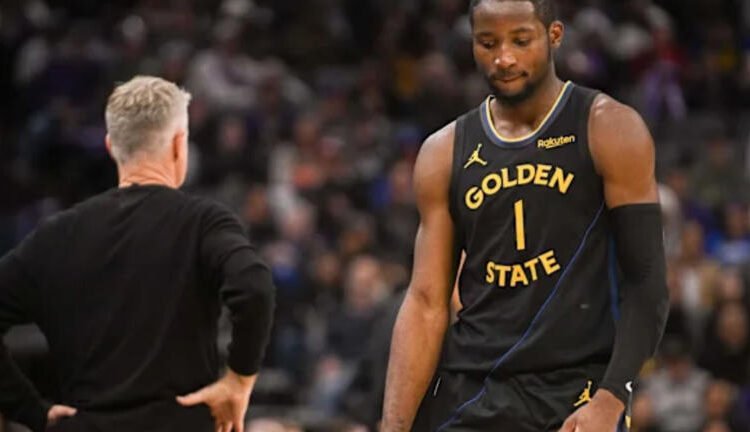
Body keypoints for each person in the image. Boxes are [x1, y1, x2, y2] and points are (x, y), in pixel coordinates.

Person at [381, 1, 669, 431]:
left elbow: (646, 282)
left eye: (520, 40)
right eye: (488, 43)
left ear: (554, 35)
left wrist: (612, 397)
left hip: (576, 390)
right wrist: (393, 425)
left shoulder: (608, 127)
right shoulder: (443, 152)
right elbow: (425, 301)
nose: (503, 58)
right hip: (472, 389)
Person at [0, 76, 275, 432]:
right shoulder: (204, 223)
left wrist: (30, 410)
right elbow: (254, 288)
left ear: (111, 146)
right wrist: (238, 380)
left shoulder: (56, 235)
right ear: (179, 143)